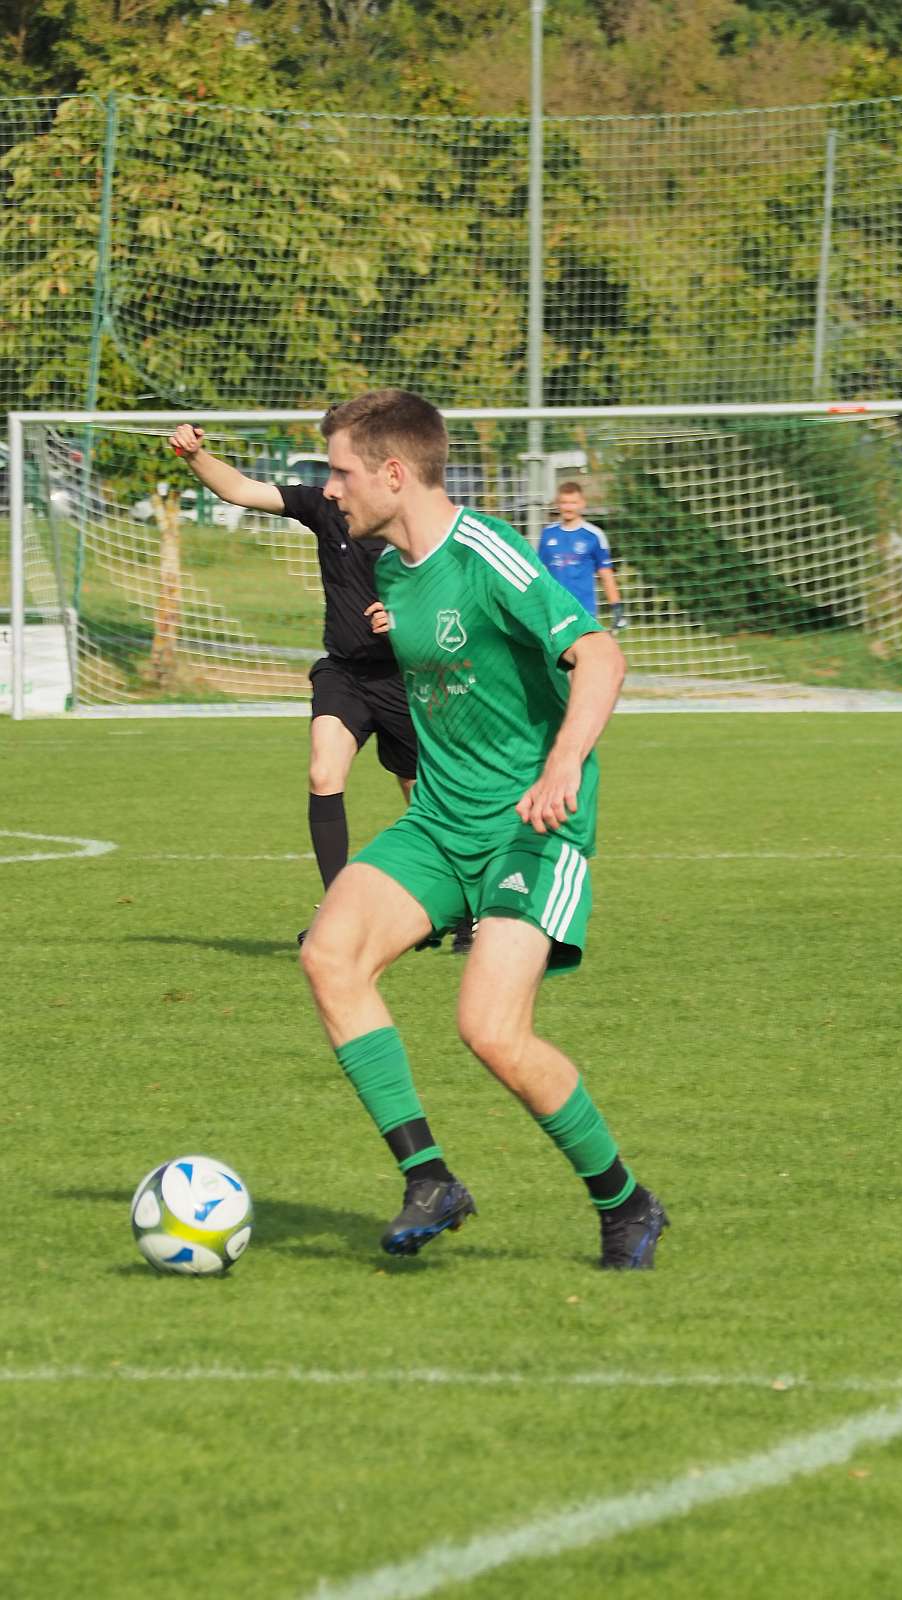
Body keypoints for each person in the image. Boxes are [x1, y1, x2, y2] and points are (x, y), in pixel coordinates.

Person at [299, 389, 667, 1270]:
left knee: (491, 1030)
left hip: (529, 829)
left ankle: (625, 1203)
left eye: (341, 472)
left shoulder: (488, 551)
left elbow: (601, 655)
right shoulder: (392, 573)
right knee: (329, 955)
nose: (330, 489)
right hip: (438, 823)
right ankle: (429, 1179)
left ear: (394, 472)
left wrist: (563, 764)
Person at [167, 422, 474, 953]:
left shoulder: (419, 522)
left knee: (423, 799)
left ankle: (467, 907)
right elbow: (241, 489)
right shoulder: (323, 506)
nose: (333, 482)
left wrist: (407, 620)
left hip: (407, 678)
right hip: (344, 672)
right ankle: (338, 915)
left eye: (342, 467)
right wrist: (194, 456)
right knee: (322, 771)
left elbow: (457, 605)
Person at [538, 481, 628, 631]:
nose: (568, 507)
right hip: (554, 610)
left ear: (582, 504)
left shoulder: (593, 535)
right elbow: (540, 572)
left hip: (584, 610)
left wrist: (617, 609)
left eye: (573, 503)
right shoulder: (548, 534)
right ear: (558, 504)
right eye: (564, 503)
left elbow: (606, 574)